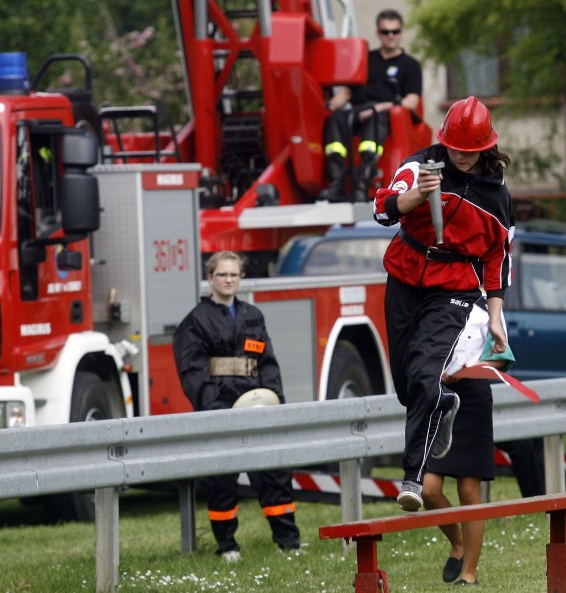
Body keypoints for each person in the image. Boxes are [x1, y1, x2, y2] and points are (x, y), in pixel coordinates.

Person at [374, 95, 515, 512]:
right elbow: (382, 210)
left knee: (424, 375)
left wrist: (495, 315)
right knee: (407, 387)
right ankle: (443, 402)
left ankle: (412, 480)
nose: (460, 157)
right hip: (404, 276)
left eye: (469, 152)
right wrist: (418, 195)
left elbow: (498, 257)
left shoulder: (495, 194)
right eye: (455, 148)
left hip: (454, 287)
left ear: (485, 147)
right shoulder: (420, 165)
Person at [172, 251, 300, 561]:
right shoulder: (196, 321)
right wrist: (216, 407)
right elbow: (193, 372)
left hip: (257, 406)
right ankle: (227, 545)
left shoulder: (253, 316)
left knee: (274, 473)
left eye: (234, 275)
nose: (228, 280)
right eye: (222, 275)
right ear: (210, 278)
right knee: (222, 480)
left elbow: (268, 362)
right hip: (221, 408)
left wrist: (273, 398)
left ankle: (288, 541)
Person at [319, 8, 423, 203]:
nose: (390, 36)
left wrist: (380, 108)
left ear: (401, 33)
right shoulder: (366, 59)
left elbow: (412, 101)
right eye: (385, 32)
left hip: (386, 113)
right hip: (357, 111)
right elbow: (347, 92)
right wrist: (328, 107)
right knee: (334, 121)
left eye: (395, 32)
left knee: (375, 122)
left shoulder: (410, 65)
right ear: (378, 33)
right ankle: (336, 185)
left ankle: (361, 183)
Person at [422, 374, 494, 586]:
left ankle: (469, 575)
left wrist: (462, 372)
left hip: (473, 399)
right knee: (428, 489)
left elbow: (501, 357)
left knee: (468, 490)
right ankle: (459, 543)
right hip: (439, 395)